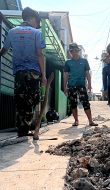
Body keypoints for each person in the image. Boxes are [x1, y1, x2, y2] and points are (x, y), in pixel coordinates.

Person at [0, 7, 47, 137]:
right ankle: (27, 128)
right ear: (31, 19)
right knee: (32, 100)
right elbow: (39, 54)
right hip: (33, 72)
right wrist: (43, 76)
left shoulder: (11, 31)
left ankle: (22, 131)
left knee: (21, 101)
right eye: (37, 22)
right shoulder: (37, 33)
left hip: (19, 72)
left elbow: (4, 50)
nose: (37, 25)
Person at [63, 43, 98, 127]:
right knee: (73, 103)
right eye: (72, 51)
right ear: (70, 52)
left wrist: (89, 84)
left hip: (82, 85)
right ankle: (76, 121)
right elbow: (66, 75)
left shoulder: (84, 61)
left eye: (75, 50)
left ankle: (90, 121)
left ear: (78, 51)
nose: (74, 52)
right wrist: (64, 87)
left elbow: (87, 73)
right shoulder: (68, 62)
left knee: (85, 103)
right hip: (71, 85)